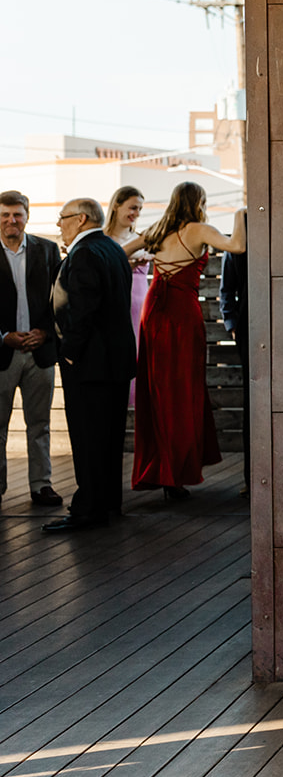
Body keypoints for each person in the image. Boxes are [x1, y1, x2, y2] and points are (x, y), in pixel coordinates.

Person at [129, 182, 245, 500]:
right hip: (180, 314)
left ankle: (165, 471)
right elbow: (237, 246)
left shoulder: (158, 228)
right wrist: (240, 213)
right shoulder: (199, 229)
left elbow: (119, 251)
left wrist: (139, 259)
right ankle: (175, 473)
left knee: (158, 391)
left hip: (153, 312)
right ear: (200, 201)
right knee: (182, 391)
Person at [45, 198, 136, 532]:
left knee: (88, 437)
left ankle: (88, 510)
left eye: (63, 218)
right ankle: (109, 501)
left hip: (89, 363)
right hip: (115, 362)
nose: (59, 225)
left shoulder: (84, 254)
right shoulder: (112, 249)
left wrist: (69, 352)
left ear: (81, 219)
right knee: (109, 437)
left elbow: (81, 309)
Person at [0, 190, 63, 507]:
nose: (12, 220)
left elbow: (61, 301)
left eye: (18, 214)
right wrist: (2, 336)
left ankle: (42, 485)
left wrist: (46, 333)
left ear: (27, 215)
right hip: (2, 353)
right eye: (5, 214)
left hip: (40, 351)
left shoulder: (48, 250)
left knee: (40, 424)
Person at [107, 186, 149, 407]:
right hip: (116, 305)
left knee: (141, 357)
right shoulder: (103, 239)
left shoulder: (142, 238)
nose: (136, 213)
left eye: (140, 209)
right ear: (116, 205)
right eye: (133, 207)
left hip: (142, 305)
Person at [219, 244, 249, 490]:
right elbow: (226, 289)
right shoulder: (239, 240)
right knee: (252, 402)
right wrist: (232, 323)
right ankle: (252, 480)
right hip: (248, 330)